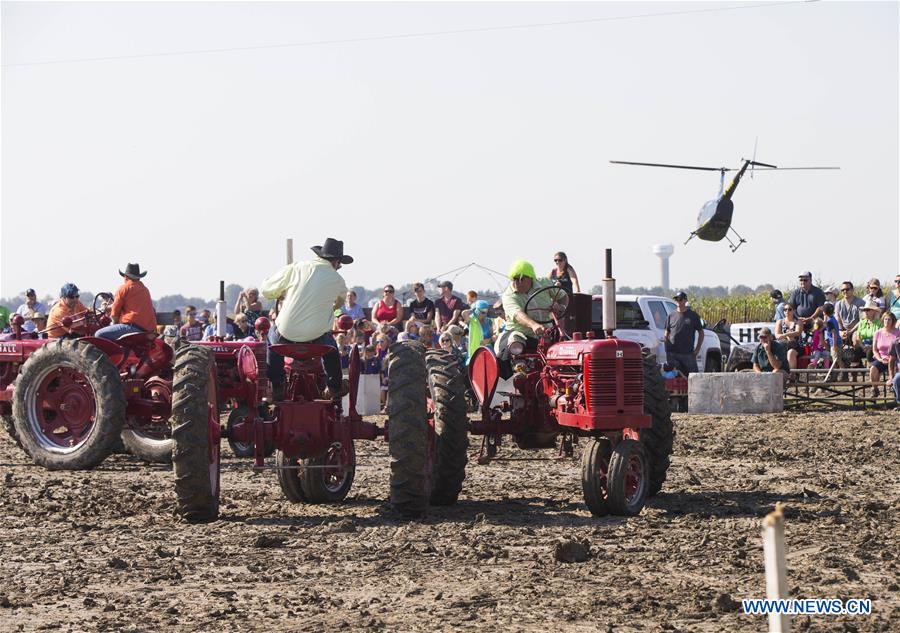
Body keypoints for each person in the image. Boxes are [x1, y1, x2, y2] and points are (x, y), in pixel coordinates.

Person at [261, 237, 351, 401]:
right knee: (331, 349)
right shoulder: (338, 281)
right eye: (340, 265)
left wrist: (280, 293)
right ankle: (334, 386)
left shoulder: (297, 267)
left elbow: (266, 290)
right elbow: (338, 303)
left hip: (286, 334)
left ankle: (277, 385)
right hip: (317, 339)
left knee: (271, 340)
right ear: (336, 262)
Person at [493, 259, 555, 362]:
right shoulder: (508, 295)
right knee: (516, 338)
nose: (515, 283)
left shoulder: (545, 283)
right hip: (522, 334)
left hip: (547, 334)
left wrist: (561, 307)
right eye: (513, 279)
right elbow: (518, 314)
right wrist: (534, 325)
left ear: (530, 278)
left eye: (520, 279)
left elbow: (563, 296)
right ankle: (519, 368)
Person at [95, 263, 158, 341]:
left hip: (133, 328)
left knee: (98, 334)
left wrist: (114, 325)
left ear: (125, 277)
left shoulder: (124, 288)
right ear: (139, 278)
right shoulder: (145, 289)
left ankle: (113, 352)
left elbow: (115, 314)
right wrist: (109, 307)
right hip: (148, 330)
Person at [663, 291, 705, 375]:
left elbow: (701, 333)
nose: (678, 301)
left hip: (688, 354)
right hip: (673, 354)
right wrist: (667, 350)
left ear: (685, 301)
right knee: (673, 378)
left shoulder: (693, 316)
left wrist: (697, 349)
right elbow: (666, 333)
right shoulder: (671, 316)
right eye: (677, 299)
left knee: (694, 377)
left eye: (680, 299)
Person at [870, 311, 899, 399]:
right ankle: (875, 389)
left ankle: (894, 388)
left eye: (889, 319)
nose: (887, 321)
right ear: (883, 320)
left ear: (893, 321)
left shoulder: (898, 332)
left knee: (896, 370)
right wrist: (880, 359)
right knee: (873, 369)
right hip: (882, 358)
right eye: (885, 319)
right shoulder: (878, 333)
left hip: (895, 359)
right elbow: (874, 350)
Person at [774, 303, 802, 369]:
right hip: (783, 345)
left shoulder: (798, 321)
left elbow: (797, 332)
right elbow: (777, 336)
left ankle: (792, 375)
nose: (787, 311)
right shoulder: (780, 322)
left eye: (789, 309)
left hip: (796, 346)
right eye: (785, 309)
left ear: (793, 311)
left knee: (791, 352)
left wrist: (785, 335)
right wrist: (788, 335)